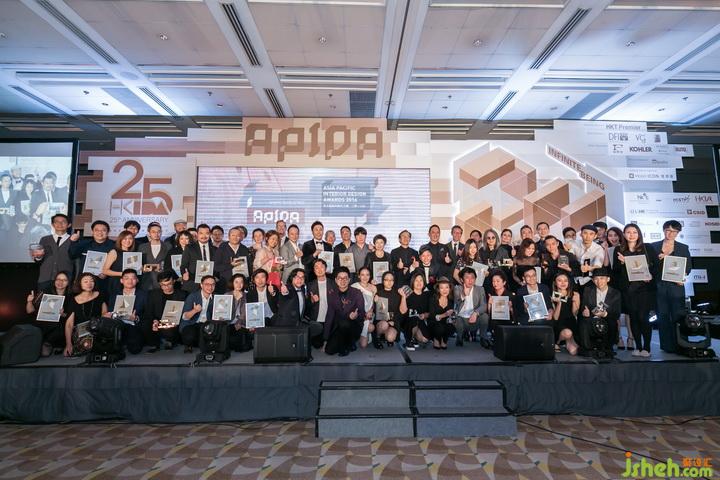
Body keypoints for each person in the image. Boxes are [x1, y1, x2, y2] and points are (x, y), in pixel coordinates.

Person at [612, 224, 657, 357]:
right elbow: (615, 271)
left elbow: (656, 266)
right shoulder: (619, 249)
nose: (631, 235)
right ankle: (638, 346)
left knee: (643, 317)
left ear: (639, 234)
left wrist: (650, 275)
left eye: (634, 232)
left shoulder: (647, 248)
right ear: (624, 234)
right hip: (628, 289)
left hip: (645, 289)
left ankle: (647, 348)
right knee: (634, 317)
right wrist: (622, 263)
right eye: (628, 232)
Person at [652, 220, 692, 354]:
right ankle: (667, 346)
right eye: (668, 230)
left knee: (678, 314)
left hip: (676, 285)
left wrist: (682, 276)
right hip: (659, 285)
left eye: (674, 231)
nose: (671, 233)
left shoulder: (683, 247)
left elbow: (688, 267)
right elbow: (650, 266)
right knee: (662, 315)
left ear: (678, 232)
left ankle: (682, 344)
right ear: (663, 230)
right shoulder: (654, 246)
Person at [26, 271, 71, 356]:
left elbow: (70, 317)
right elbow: (30, 311)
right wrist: (29, 301)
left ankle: (48, 343)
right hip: (42, 323)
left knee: (61, 324)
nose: (60, 282)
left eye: (64, 280)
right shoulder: (45, 292)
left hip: (58, 327)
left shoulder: (70, 296)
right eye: (58, 279)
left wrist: (63, 314)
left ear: (68, 282)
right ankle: (40, 343)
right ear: (54, 281)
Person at [323, 267, 365, 356]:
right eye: (340, 278)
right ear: (336, 280)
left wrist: (356, 316)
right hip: (339, 327)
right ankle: (349, 344)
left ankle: (346, 346)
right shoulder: (332, 294)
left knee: (345, 323)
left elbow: (362, 313)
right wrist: (325, 339)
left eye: (345, 278)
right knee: (329, 351)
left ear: (349, 280)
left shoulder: (356, 293)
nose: (342, 281)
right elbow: (329, 315)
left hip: (353, 326)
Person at [63, 273, 108, 357]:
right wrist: (68, 344)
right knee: (85, 345)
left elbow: (104, 314)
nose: (89, 284)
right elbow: (69, 324)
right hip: (80, 331)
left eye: (91, 281)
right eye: (86, 281)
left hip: (96, 328)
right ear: (80, 283)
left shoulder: (100, 294)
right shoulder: (73, 299)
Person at [579, 267, 621, 355]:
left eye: (602, 278)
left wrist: (604, 314)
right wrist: (585, 312)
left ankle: (607, 348)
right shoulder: (588, 290)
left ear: (608, 279)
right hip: (591, 319)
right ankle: (587, 348)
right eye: (596, 279)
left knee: (612, 322)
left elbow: (616, 313)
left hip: (607, 319)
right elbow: (584, 307)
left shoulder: (615, 293)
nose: (599, 281)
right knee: (584, 321)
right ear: (593, 280)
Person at [32, 213, 77, 291]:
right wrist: (38, 257)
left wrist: (75, 279)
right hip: (45, 279)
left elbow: (77, 262)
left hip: (65, 280)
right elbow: (39, 260)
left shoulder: (74, 240)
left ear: (69, 225)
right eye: (57, 222)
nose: (60, 224)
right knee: (43, 298)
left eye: (63, 222)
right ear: (53, 224)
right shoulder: (45, 239)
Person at [107, 269, 147, 355]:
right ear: (121, 280)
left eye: (133, 278)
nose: (130, 281)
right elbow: (110, 310)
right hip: (117, 324)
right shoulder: (115, 295)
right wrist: (111, 315)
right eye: (126, 278)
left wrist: (136, 318)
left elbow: (148, 313)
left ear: (137, 280)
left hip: (134, 325)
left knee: (135, 350)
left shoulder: (144, 295)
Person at [146, 271, 185, 352]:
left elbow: (184, 313)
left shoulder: (182, 295)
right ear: (159, 284)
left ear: (174, 281)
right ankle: (158, 342)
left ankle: (168, 341)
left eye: (169, 284)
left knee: (172, 329)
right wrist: (155, 320)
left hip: (174, 322)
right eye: (163, 285)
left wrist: (175, 321)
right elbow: (149, 311)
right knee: (147, 324)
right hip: (158, 321)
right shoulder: (153, 294)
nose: (166, 287)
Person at [180, 275, 216, 353]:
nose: (210, 287)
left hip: (206, 325)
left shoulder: (215, 298)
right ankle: (189, 344)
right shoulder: (193, 296)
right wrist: (195, 310)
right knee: (189, 336)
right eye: (207, 284)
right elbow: (185, 317)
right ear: (201, 285)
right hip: (192, 324)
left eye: (212, 284)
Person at [453, 268, 489, 346]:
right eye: (467, 277)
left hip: (474, 318)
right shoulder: (457, 288)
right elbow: (456, 303)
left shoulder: (480, 289)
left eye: (472, 277)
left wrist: (476, 313)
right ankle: (459, 337)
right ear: (462, 279)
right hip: (461, 318)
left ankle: (483, 338)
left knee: (485, 316)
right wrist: (464, 294)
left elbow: (484, 305)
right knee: (457, 318)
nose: (470, 280)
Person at [180, 224, 217, 293]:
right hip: (193, 283)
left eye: (207, 233)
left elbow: (217, 266)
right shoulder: (189, 248)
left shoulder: (215, 249)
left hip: (210, 285)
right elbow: (183, 265)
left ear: (210, 235)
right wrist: (184, 274)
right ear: (197, 234)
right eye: (201, 233)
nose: (204, 236)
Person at [373, 271, 407, 348]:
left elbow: (403, 311)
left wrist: (403, 297)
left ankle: (386, 337)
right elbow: (378, 313)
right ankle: (378, 337)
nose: (389, 282)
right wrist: (375, 302)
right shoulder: (379, 293)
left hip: (394, 322)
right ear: (383, 281)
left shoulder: (398, 293)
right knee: (384, 325)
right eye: (386, 280)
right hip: (382, 321)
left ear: (394, 281)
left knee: (390, 338)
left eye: (391, 280)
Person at [306, 259, 335, 348]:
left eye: (321, 267)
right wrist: (312, 300)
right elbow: (306, 306)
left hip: (331, 319)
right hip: (317, 319)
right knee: (317, 344)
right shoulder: (310, 285)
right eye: (316, 267)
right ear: (314, 271)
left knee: (331, 345)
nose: (319, 269)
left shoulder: (333, 283)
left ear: (326, 268)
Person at [550, 272, 580, 355]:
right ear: (555, 283)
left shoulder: (575, 294)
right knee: (567, 333)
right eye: (559, 280)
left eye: (565, 280)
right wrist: (559, 303)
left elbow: (575, 314)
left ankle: (568, 342)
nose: (563, 283)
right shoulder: (552, 296)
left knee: (574, 352)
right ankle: (557, 342)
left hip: (571, 322)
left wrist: (574, 302)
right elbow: (555, 317)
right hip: (558, 324)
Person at [570, 224, 605, 293]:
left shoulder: (598, 248)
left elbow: (598, 265)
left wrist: (589, 268)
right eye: (585, 233)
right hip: (575, 277)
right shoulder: (574, 244)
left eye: (591, 234)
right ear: (581, 234)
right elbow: (570, 258)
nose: (588, 237)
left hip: (590, 279)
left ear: (595, 236)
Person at [101, 230, 136, 297]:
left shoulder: (134, 254)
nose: (128, 241)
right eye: (125, 239)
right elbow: (105, 270)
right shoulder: (114, 252)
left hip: (130, 283)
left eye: (130, 239)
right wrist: (123, 274)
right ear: (120, 240)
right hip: (116, 283)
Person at [139, 222, 170, 291]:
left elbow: (170, 263)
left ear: (161, 232)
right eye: (153, 232)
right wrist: (143, 268)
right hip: (147, 281)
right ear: (149, 233)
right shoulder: (142, 247)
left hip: (163, 281)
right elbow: (139, 264)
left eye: (159, 232)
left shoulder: (168, 246)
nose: (156, 234)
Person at [350, 266, 377, 349]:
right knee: (363, 344)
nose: (365, 277)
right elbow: (351, 304)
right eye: (362, 275)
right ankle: (358, 333)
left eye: (367, 275)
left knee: (364, 344)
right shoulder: (354, 286)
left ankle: (364, 332)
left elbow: (373, 303)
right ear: (359, 276)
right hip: (358, 314)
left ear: (370, 276)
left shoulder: (373, 287)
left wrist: (371, 311)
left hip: (369, 314)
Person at [227, 273, 253, 352]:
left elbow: (246, 312)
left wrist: (239, 322)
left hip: (242, 322)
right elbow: (225, 313)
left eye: (241, 282)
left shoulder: (247, 295)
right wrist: (236, 300)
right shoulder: (226, 295)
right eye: (236, 282)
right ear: (232, 283)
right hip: (229, 322)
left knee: (242, 344)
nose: (239, 284)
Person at [406, 272, 431, 348]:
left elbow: (431, 312)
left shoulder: (427, 295)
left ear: (424, 282)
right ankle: (409, 340)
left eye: (421, 280)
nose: (419, 283)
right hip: (408, 322)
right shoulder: (407, 294)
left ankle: (414, 338)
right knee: (414, 320)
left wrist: (425, 315)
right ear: (412, 282)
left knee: (425, 339)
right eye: (416, 280)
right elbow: (403, 312)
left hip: (420, 321)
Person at [487, 270, 514, 339]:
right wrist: (489, 304)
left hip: (507, 321)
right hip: (494, 320)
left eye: (498, 281)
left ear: (504, 282)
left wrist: (511, 308)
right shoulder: (491, 294)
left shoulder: (510, 295)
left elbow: (514, 315)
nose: (495, 283)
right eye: (493, 281)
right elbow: (489, 313)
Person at [428, 277, 454, 349]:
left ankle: (444, 339)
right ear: (438, 289)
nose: (444, 290)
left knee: (452, 326)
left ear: (450, 289)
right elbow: (432, 316)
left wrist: (453, 315)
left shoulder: (451, 300)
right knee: (439, 327)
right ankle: (436, 338)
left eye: (447, 287)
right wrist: (444, 314)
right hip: (434, 323)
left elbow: (452, 316)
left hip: (446, 323)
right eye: (442, 288)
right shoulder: (433, 299)